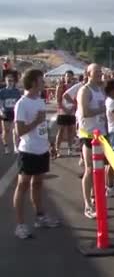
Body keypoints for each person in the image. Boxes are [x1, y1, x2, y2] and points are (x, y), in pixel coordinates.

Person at [13, 69, 60, 239]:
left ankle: (40, 217)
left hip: (42, 149)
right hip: (28, 150)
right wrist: (36, 121)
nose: (44, 82)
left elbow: (43, 127)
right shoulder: (22, 103)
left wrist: (51, 143)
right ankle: (20, 225)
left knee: (38, 184)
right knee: (23, 186)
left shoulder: (40, 101)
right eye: (41, 80)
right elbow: (19, 131)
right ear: (33, 82)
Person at [77, 64, 107, 219]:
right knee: (90, 169)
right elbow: (86, 112)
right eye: (96, 72)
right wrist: (103, 110)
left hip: (101, 134)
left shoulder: (100, 90)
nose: (99, 74)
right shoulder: (85, 90)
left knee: (100, 169)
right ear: (88, 73)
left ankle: (97, 198)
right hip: (88, 135)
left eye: (100, 71)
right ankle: (87, 205)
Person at [55, 70, 76, 157]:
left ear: (72, 77)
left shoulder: (74, 87)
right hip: (62, 111)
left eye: (70, 76)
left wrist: (72, 109)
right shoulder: (61, 87)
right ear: (64, 77)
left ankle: (70, 148)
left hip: (71, 111)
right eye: (66, 76)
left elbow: (76, 99)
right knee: (61, 130)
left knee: (71, 130)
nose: (68, 78)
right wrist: (65, 109)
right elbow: (58, 100)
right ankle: (57, 149)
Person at [0, 71, 22, 154]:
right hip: (5, 112)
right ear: (5, 81)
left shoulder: (17, 91)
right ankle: (6, 146)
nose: (10, 82)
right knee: (6, 131)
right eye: (8, 80)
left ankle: (16, 146)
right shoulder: (2, 92)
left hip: (14, 113)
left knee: (15, 131)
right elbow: (0, 103)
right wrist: (1, 111)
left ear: (14, 82)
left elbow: (19, 103)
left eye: (11, 81)